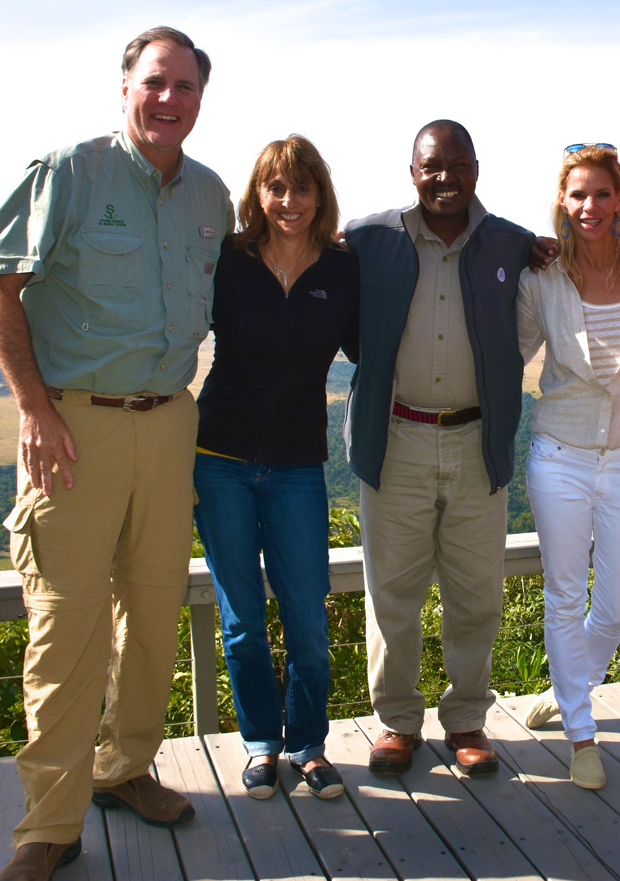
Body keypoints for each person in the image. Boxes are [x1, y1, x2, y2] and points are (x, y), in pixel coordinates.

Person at [0, 26, 232, 881]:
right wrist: (33, 407)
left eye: (186, 87)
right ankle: (48, 823)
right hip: (72, 428)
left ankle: (124, 767)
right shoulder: (67, 172)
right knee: (66, 623)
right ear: (124, 87)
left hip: (169, 423)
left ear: (202, 97)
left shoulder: (210, 195)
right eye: (155, 82)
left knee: (155, 611)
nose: (170, 99)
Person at [344, 121, 534, 777]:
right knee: (391, 593)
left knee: (476, 593)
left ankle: (466, 720)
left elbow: (537, 316)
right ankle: (398, 722)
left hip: (478, 441)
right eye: (432, 166)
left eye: (457, 164)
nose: (445, 177)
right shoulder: (369, 240)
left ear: (476, 168)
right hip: (394, 441)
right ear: (412, 171)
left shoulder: (509, 242)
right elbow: (343, 325)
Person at [193, 135, 358, 802]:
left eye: (302, 187)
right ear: (257, 196)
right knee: (241, 619)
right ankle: (262, 744)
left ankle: (309, 743)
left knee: (308, 620)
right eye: (276, 187)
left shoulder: (341, 271)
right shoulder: (227, 262)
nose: (290, 201)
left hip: (296, 465)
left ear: (320, 194)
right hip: (220, 460)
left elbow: (375, 344)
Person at [515, 145, 620, 788]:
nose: (589, 206)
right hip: (560, 456)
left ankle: (570, 682)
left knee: (612, 606)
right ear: (562, 200)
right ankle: (583, 734)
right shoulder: (541, 278)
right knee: (563, 594)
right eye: (577, 194)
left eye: (601, 193)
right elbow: (509, 351)